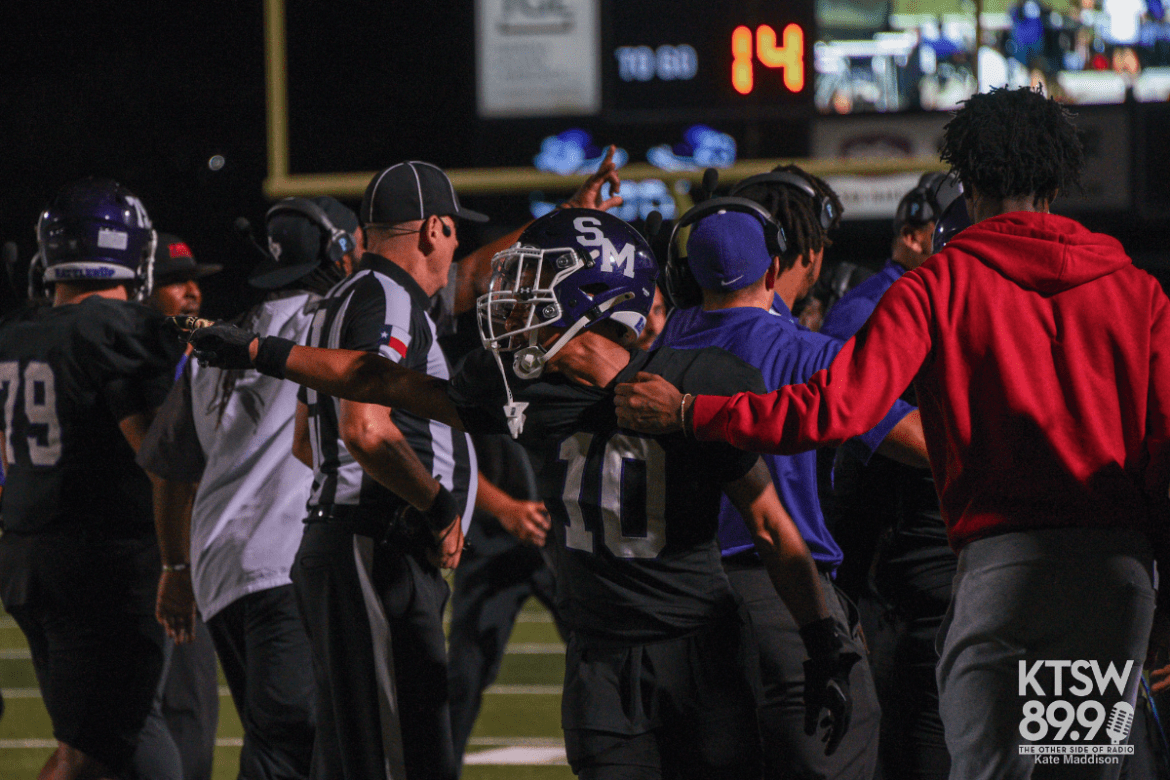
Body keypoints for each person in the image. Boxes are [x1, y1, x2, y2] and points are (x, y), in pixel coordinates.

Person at [178, 207, 862, 780]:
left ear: (598, 296)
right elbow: (377, 379)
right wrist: (262, 352)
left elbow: (772, 527)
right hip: (601, 664)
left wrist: (824, 641)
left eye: (538, 281)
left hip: (697, 657)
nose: (515, 299)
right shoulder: (521, 387)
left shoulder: (691, 378)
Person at [614, 86, 1170, 780]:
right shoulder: (1134, 288)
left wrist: (693, 412)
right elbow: (1163, 450)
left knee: (990, 770)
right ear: (1056, 179)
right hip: (1114, 575)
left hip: (1006, 568)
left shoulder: (939, 284)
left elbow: (832, 409)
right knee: (1081, 771)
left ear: (967, 185)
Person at [655, 166, 927, 779]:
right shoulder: (811, 354)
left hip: (677, 605)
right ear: (775, 266)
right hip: (789, 599)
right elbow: (919, 443)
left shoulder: (659, 348)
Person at [139, 196, 363, 780]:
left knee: (279, 739)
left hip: (220, 571)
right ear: (338, 251)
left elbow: (170, 469)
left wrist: (176, 570)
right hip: (282, 563)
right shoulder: (332, 320)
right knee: (296, 745)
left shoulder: (219, 341)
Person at [0, 178, 183, 780]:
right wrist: (179, 565)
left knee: (101, 740)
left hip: (29, 557)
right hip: (102, 567)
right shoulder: (113, 331)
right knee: (106, 750)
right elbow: (161, 456)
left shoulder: (19, 333)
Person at [819, 175, 965, 780]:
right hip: (924, 569)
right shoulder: (886, 308)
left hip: (959, 577)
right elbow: (850, 439)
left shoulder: (940, 301)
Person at [140, 230, 223, 780]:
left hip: (185, 548)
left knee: (191, 706)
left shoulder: (195, 347)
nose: (190, 292)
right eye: (173, 283)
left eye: (193, 280)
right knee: (143, 716)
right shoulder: (136, 355)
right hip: (150, 552)